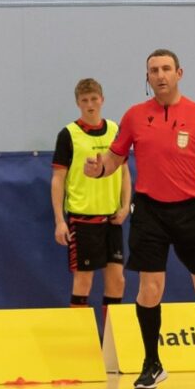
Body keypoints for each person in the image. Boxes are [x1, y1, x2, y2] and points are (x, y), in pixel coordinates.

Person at [84, 49, 195, 389]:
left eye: (166, 68)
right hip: (149, 211)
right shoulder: (135, 116)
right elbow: (114, 159)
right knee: (150, 288)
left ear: (179, 73)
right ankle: (152, 363)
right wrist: (98, 169)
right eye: (154, 70)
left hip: (191, 210)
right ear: (147, 77)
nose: (160, 75)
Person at [51, 78, 131, 310]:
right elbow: (58, 179)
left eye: (94, 99)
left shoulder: (115, 130)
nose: (90, 105)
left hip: (112, 219)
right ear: (78, 103)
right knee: (83, 282)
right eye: (84, 100)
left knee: (117, 282)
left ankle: (109, 333)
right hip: (82, 219)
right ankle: (79, 332)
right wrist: (59, 221)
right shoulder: (69, 135)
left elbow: (124, 172)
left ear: (102, 100)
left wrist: (125, 206)